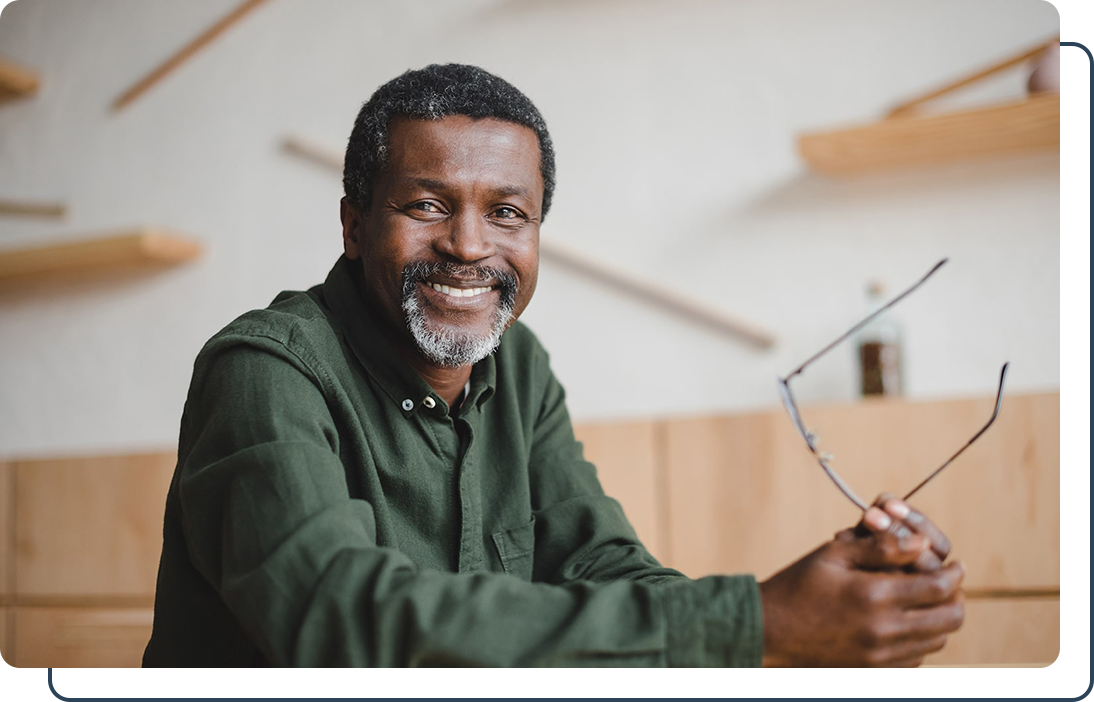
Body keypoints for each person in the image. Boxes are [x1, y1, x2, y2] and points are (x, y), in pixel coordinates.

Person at [143, 63, 964, 667]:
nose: (469, 246)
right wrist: (755, 624)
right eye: (427, 205)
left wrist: (824, 596)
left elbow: (600, 565)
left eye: (508, 212)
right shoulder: (264, 370)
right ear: (354, 227)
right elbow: (343, 621)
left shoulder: (518, 364)